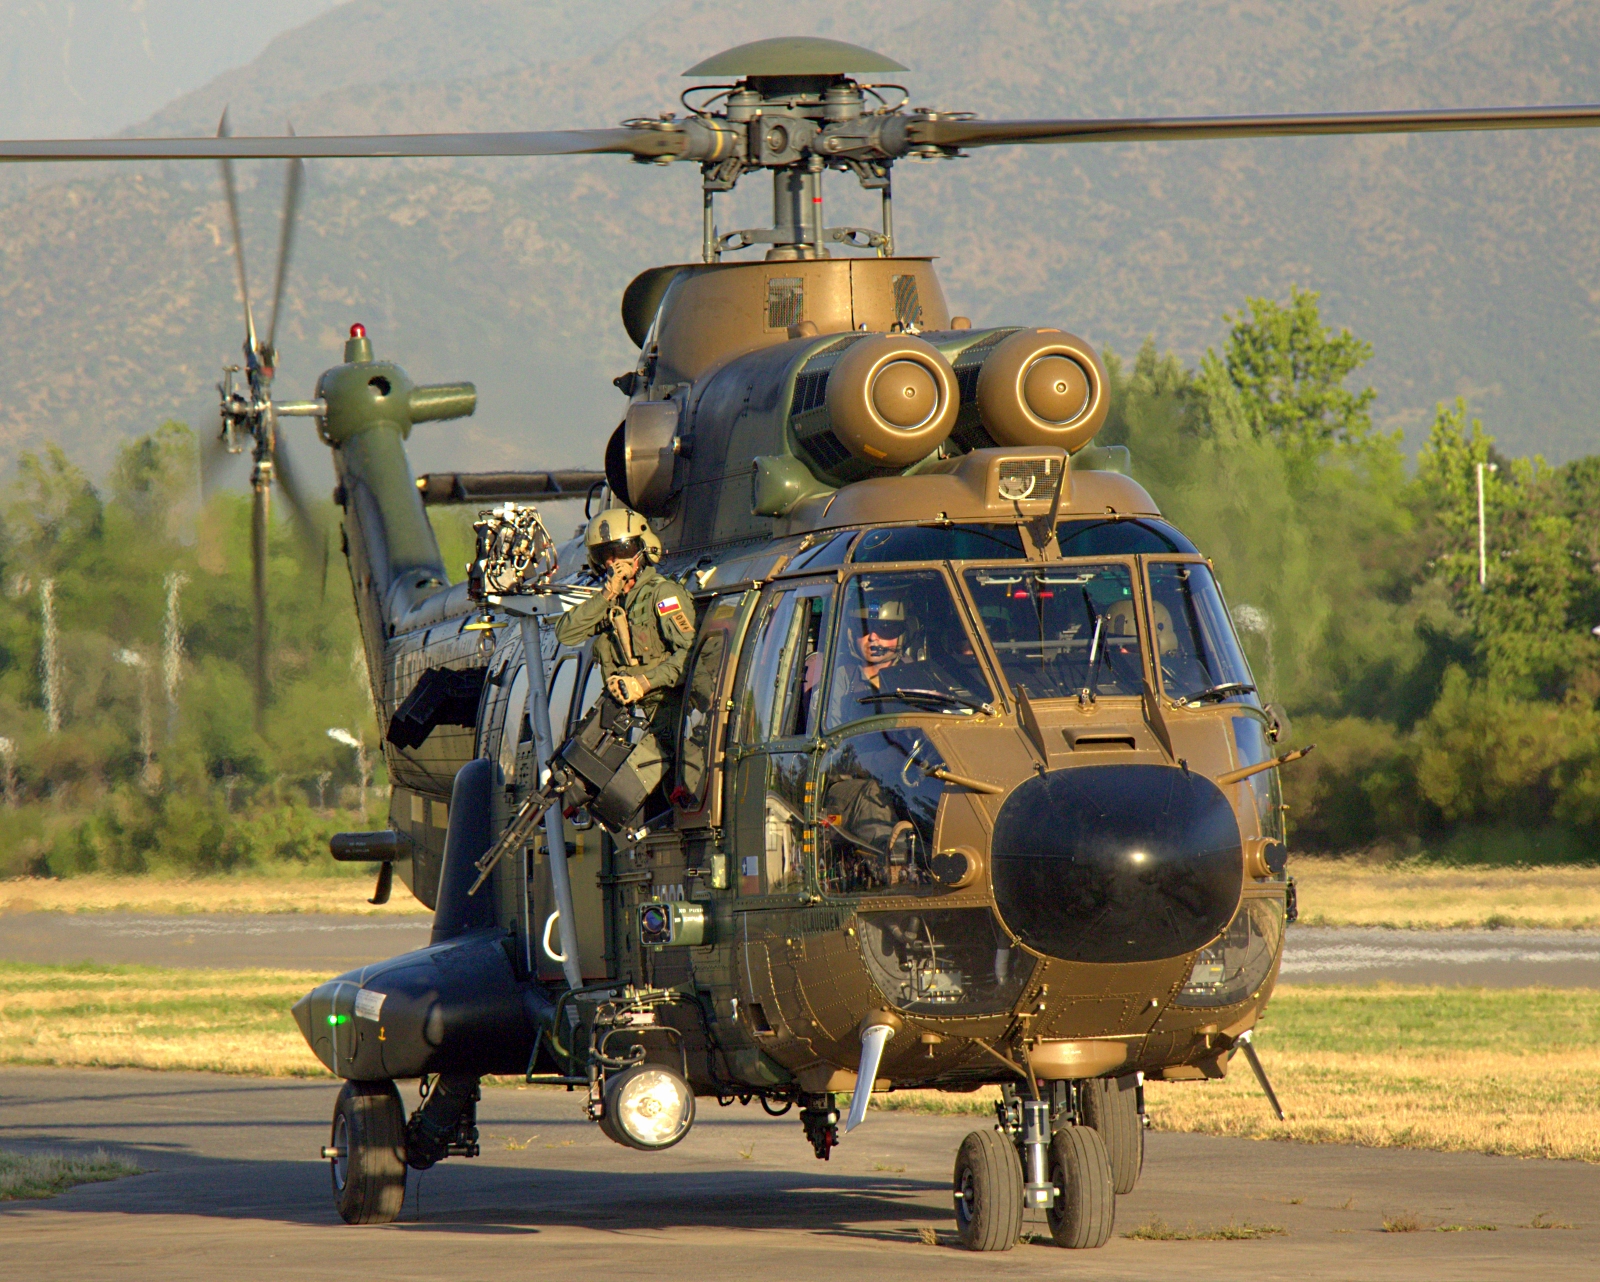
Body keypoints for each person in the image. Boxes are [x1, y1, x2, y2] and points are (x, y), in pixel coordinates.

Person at [554, 509, 696, 805]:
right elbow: (566, 633)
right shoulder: (612, 602)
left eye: (622, 551)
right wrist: (606, 595)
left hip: (666, 715)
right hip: (630, 719)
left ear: (643, 550)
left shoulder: (663, 594)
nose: (613, 562)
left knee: (626, 799)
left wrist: (643, 683)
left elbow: (690, 656)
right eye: (605, 555)